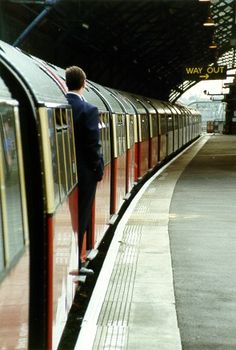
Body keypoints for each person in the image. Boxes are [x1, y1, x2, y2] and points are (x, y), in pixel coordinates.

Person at [65, 66, 104, 276]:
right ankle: (77, 262)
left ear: (66, 83)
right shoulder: (88, 110)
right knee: (82, 216)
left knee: (69, 216)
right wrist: (98, 169)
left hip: (63, 173)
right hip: (85, 173)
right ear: (84, 83)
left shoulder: (61, 106)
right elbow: (92, 145)